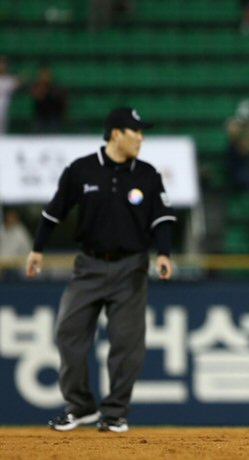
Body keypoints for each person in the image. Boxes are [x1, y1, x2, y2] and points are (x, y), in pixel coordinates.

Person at [25, 107, 176, 433]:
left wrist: (163, 253)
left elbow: (161, 218)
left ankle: (115, 413)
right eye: (135, 131)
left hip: (131, 267)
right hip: (89, 266)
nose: (141, 137)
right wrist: (37, 248)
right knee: (68, 333)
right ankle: (80, 408)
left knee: (126, 342)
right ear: (116, 133)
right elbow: (54, 212)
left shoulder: (147, 175)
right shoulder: (82, 170)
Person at [30, 64, 68, 133]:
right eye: (42, 74)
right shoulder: (37, 85)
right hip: (41, 116)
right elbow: (36, 95)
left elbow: (63, 98)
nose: (44, 76)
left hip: (54, 116)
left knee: (55, 137)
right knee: (36, 137)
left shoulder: (56, 85)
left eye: (46, 74)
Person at [0, 56, 21, 134]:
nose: (1, 66)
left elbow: (18, 84)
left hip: (4, 109)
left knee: (2, 128)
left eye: (3, 64)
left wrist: (20, 79)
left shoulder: (9, 79)